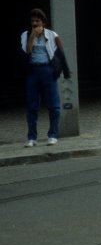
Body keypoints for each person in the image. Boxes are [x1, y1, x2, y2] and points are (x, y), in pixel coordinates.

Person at [20, 8, 65, 147]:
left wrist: (62, 71)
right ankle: (32, 137)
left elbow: (60, 52)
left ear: (43, 22)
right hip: (33, 70)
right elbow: (27, 50)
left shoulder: (52, 34)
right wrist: (33, 36)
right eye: (32, 21)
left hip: (47, 69)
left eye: (37, 21)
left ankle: (53, 135)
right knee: (32, 106)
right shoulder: (25, 34)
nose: (34, 23)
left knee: (54, 105)